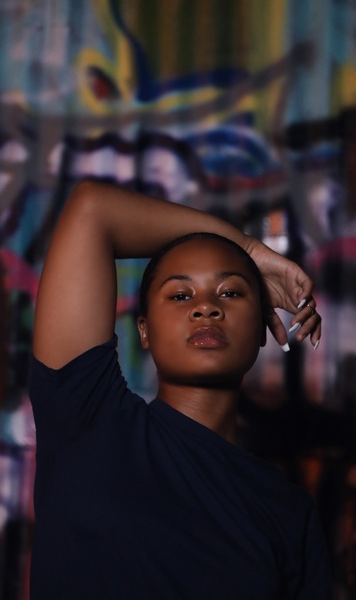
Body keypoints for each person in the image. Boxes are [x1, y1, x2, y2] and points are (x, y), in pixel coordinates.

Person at [29, 180, 331, 599]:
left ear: (262, 328)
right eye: (180, 295)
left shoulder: (288, 511)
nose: (206, 307)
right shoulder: (88, 418)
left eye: (230, 291)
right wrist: (246, 247)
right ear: (144, 330)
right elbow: (92, 208)